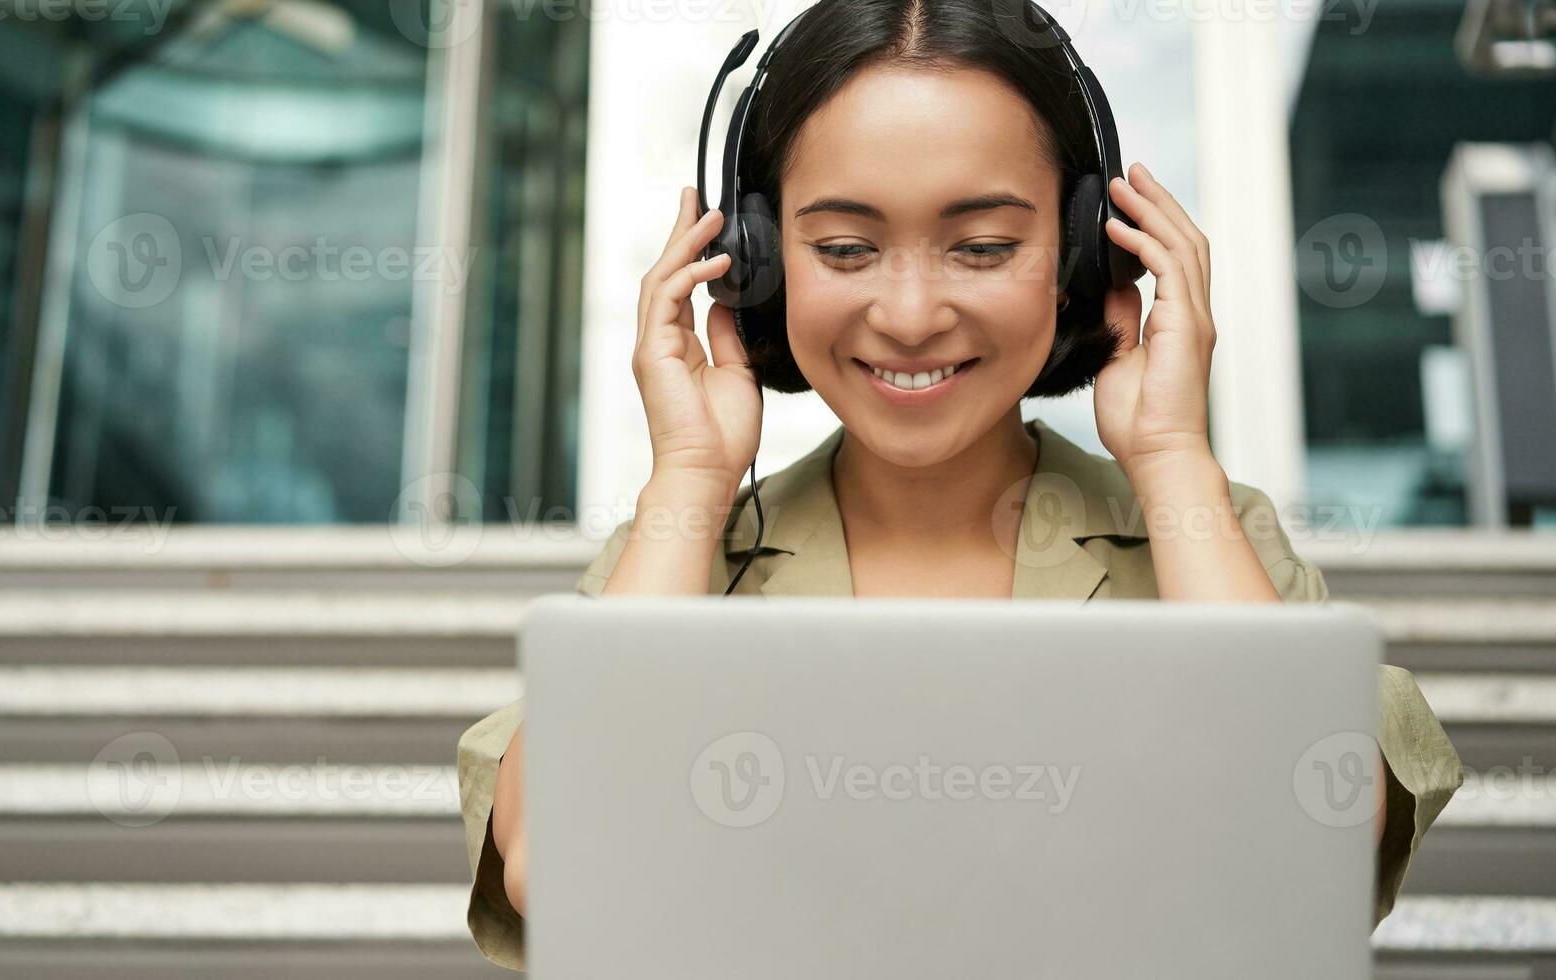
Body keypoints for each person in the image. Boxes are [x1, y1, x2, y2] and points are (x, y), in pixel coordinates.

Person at [454, 0, 1463, 968]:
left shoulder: (1197, 530)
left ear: (1077, 255)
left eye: (981, 246)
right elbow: (558, 862)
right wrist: (687, 477)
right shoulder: (678, 556)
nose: (907, 312)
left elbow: (1309, 843)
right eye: (844, 247)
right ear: (753, 262)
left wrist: (1168, 456)